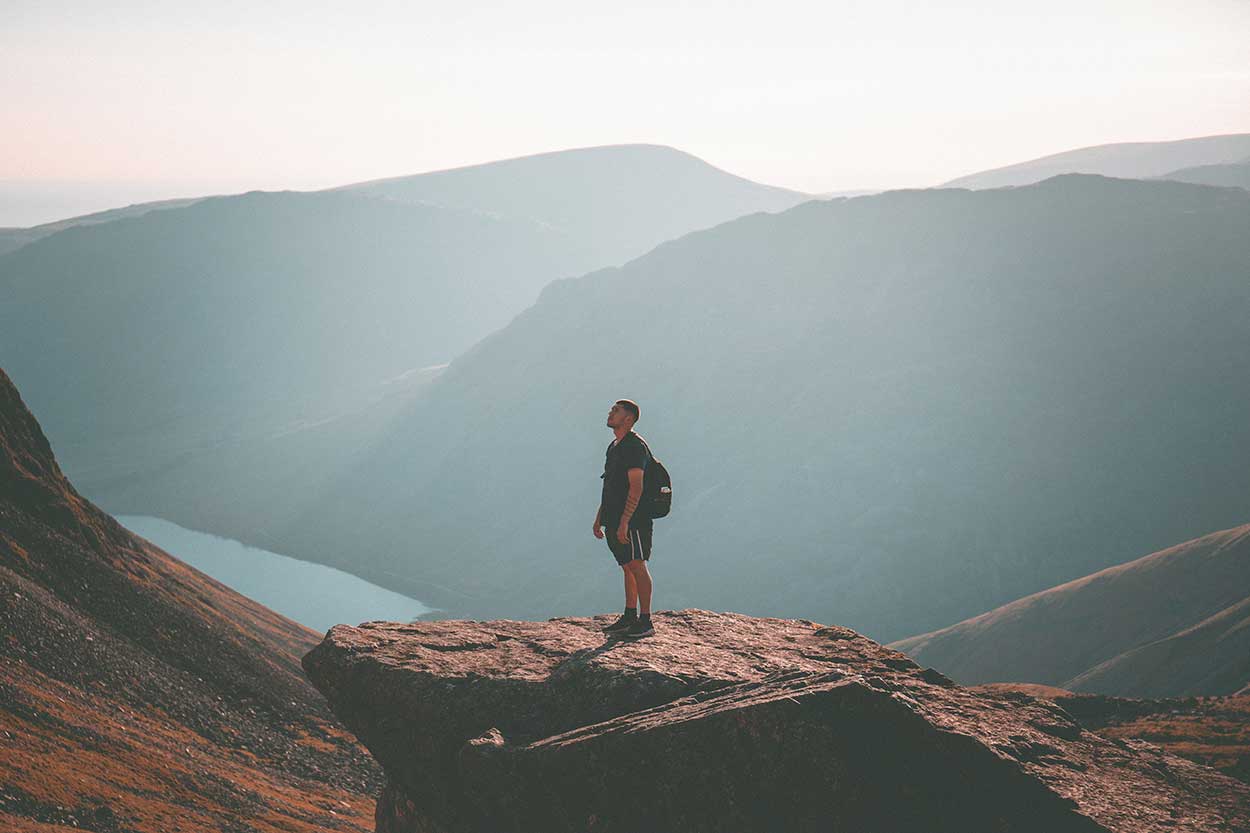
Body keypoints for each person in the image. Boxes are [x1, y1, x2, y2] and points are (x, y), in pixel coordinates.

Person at [593, 399, 655, 638]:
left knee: (637, 564)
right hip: (614, 517)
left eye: (616, 411)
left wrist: (625, 521)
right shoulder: (615, 446)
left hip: (634, 520)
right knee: (627, 565)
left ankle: (646, 620)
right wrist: (600, 518)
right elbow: (610, 485)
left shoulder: (634, 447)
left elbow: (636, 487)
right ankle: (630, 615)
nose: (610, 413)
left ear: (628, 419)